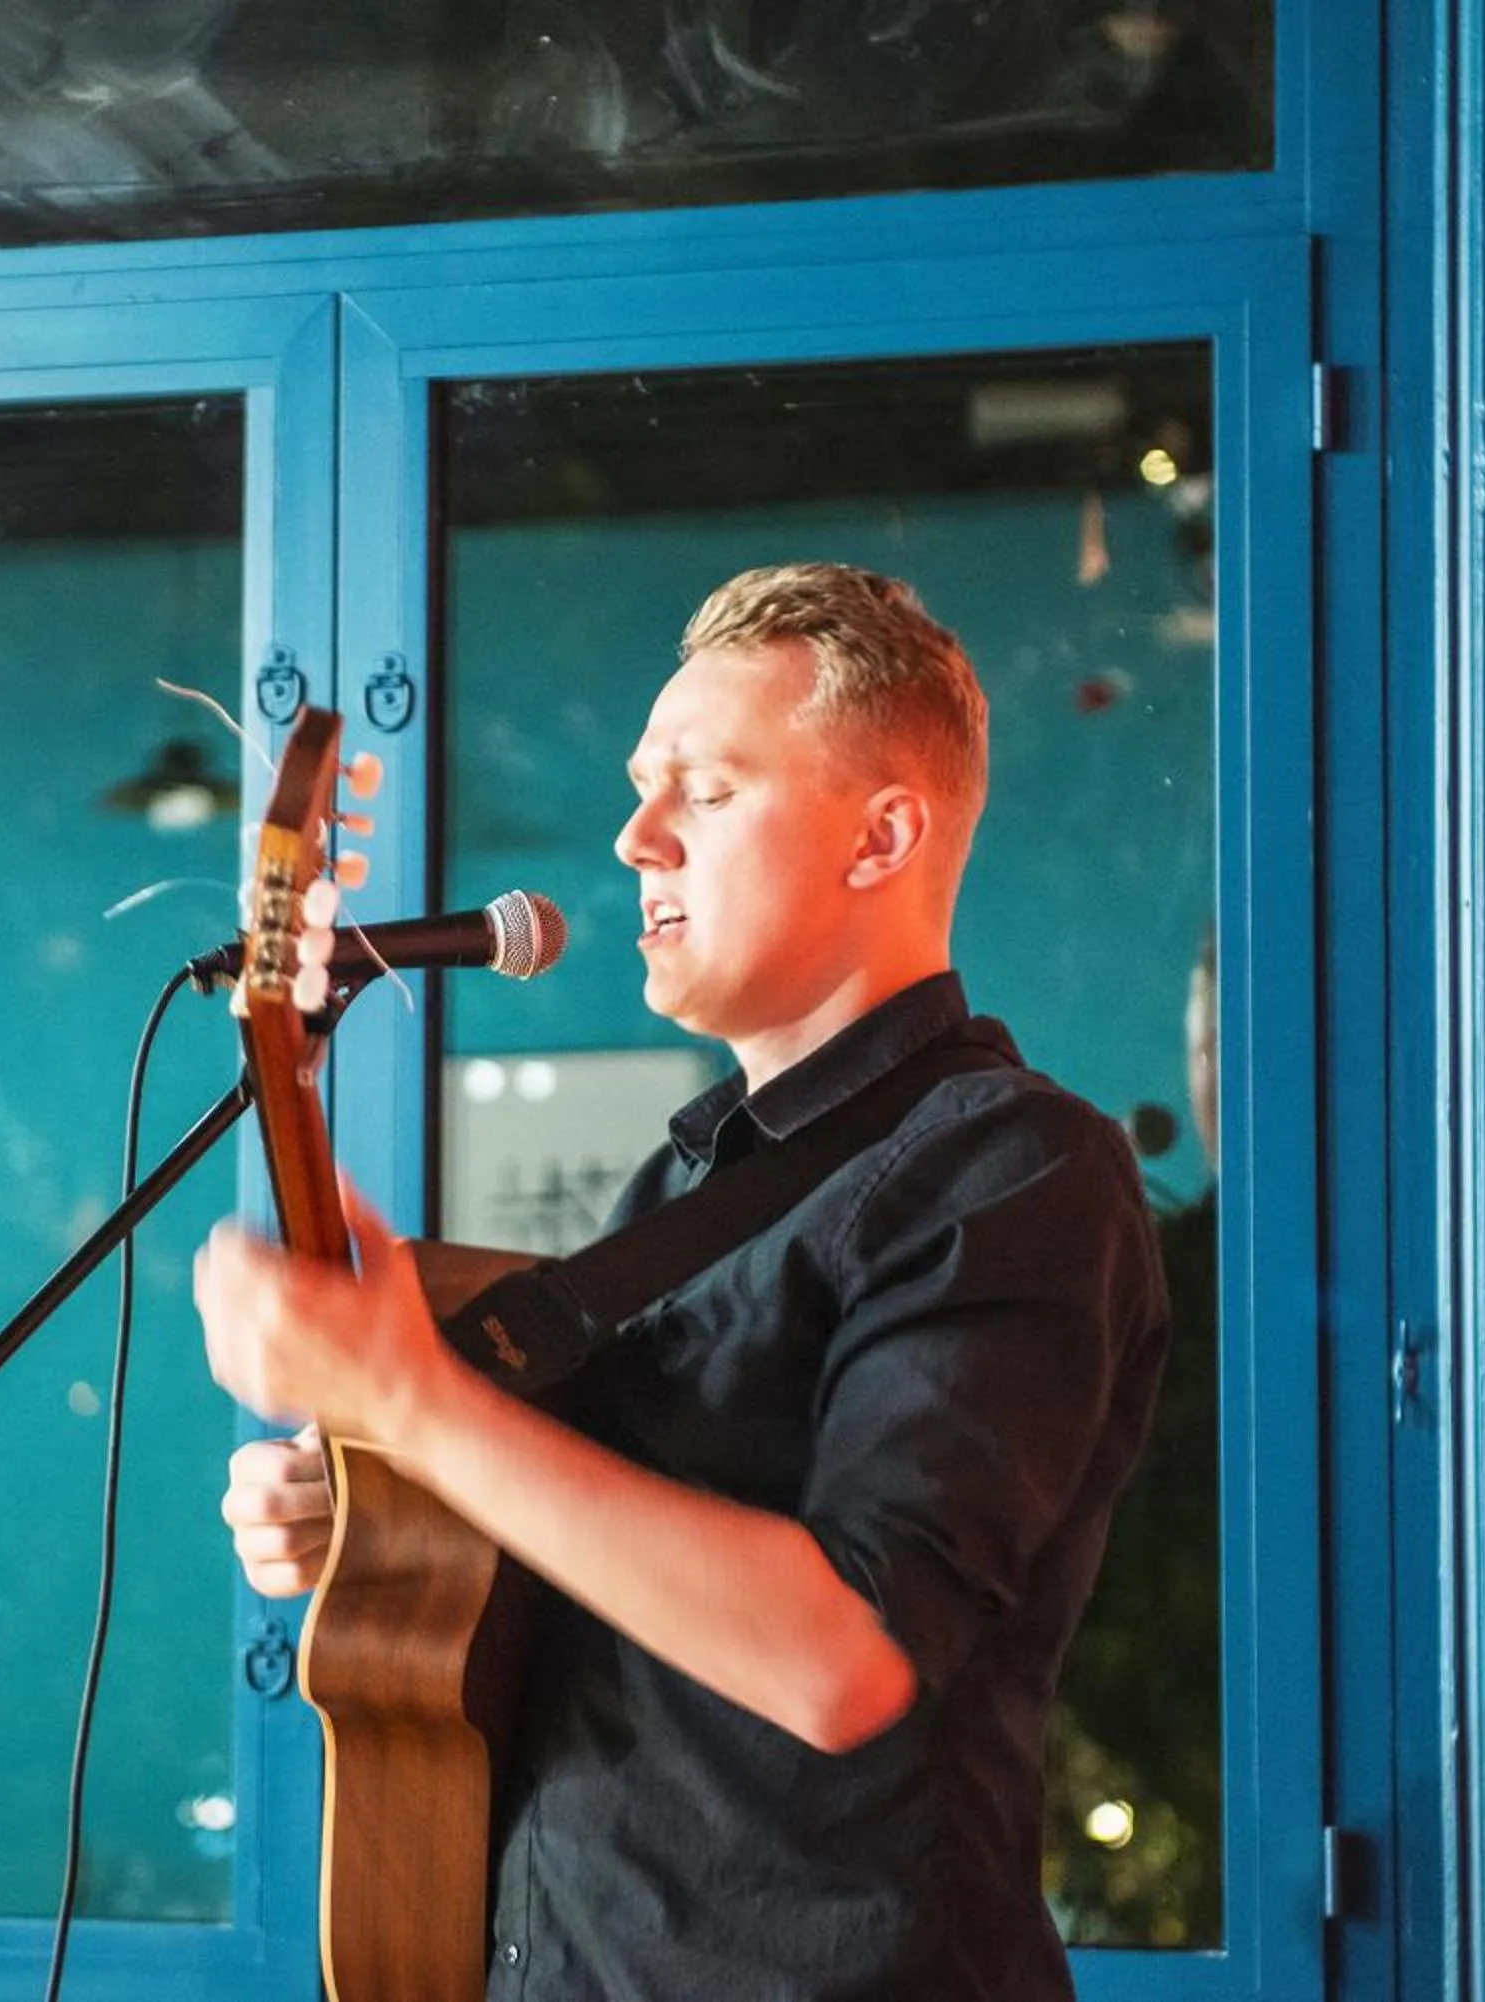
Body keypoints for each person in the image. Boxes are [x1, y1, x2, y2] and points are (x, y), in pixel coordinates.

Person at [195, 562, 1171, 2001]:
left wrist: (411, 1398)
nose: (636, 836)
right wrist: (379, 1495)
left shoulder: (1017, 1169)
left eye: (704, 791)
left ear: (880, 834)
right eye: (645, 787)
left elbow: (847, 1657)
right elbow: (605, 1569)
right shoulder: (686, 1190)